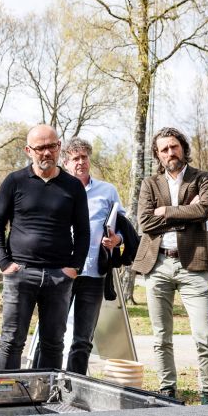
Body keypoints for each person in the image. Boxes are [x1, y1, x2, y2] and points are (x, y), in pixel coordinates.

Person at [0, 124, 90, 370]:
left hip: (58, 276)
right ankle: (5, 395)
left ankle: (45, 397)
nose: (47, 152)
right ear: (28, 150)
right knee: (12, 340)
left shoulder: (73, 186)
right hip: (20, 273)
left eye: (52, 146)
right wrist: (4, 263)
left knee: (53, 342)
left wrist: (74, 268)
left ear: (59, 148)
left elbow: (84, 231)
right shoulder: (14, 182)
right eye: (41, 147)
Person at [132, 127, 208, 404]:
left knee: (204, 334)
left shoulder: (203, 178)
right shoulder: (150, 184)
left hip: (192, 263)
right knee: (161, 336)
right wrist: (185, 213)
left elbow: (204, 210)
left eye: (174, 146)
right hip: (157, 264)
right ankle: (167, 390)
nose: (170, 152)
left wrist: (166, 211)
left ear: (183, 148)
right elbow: (145, 222)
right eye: (164, 149)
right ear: (157, 154)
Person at [57, 136, 124, 375]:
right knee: (52, 333)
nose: (81, 162)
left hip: (94, 274)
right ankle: (44, 381)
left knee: (83, 339)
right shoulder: (56, 188)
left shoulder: (107, 191)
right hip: (62, 273)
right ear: (65, 162)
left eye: (84, 157)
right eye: (75, 158)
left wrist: (117, 239)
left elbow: (123, 225)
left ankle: (76, 385)